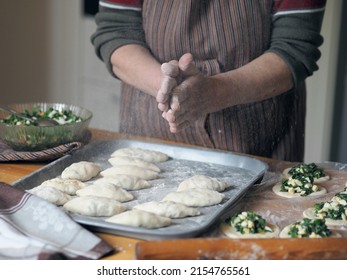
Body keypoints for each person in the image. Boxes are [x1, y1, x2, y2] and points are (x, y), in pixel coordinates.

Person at [91, 0, 326, 162]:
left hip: (258, 143)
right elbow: (116, 31)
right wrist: (165, 86)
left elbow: (294, 48)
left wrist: (215, 92)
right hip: (152, 130)